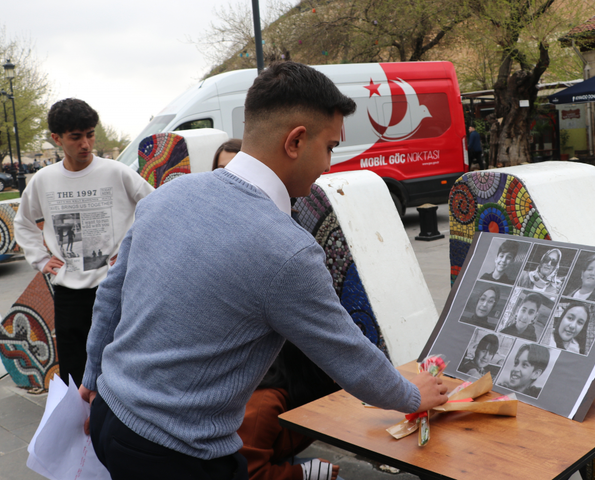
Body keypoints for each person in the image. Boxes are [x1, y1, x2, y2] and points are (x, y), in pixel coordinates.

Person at [79, 62, 448, 480]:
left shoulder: (170, 194)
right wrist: (414, 394)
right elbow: (351, 359)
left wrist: (92, 377)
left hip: (109, 412)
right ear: (295, 141)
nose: (330, 163)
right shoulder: (286, 250)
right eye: (329, 146)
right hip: (178, 452)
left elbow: (110, 294)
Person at [14, 98, 154, 388]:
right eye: (76, 137)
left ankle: (117, 420)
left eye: (90, 134)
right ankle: (79, 427)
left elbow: (156, 207)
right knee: (75, 367)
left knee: (121, 361)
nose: (86, 144)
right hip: (70, 291)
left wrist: (134, 252)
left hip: (116, 285)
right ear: (57, 139)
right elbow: (23, 222)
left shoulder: (117, 172)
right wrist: (41, 259)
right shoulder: (43, 180)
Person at [239, 341, 341, 480]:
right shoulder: (266, 404)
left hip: (271, 462)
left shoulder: (307, 390)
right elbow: (246, 473)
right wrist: (303, 473)